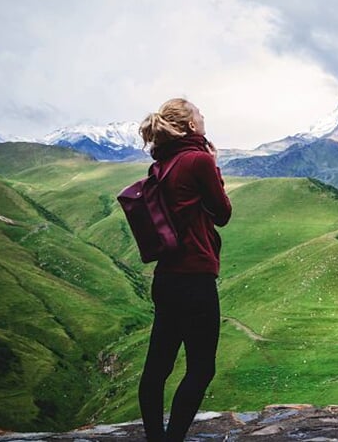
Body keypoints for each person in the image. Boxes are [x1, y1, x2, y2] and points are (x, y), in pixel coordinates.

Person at [136, 98, 232, 441]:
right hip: (195, 278)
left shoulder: (162, 164)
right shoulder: (198, 160)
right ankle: (174, 437)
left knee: (157, 367)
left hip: (167, 277)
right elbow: (222, 214)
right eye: (199, 113)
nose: (204, 115)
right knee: (201, 368)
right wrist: (215, 166)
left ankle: (154, 437)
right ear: (191, 126)